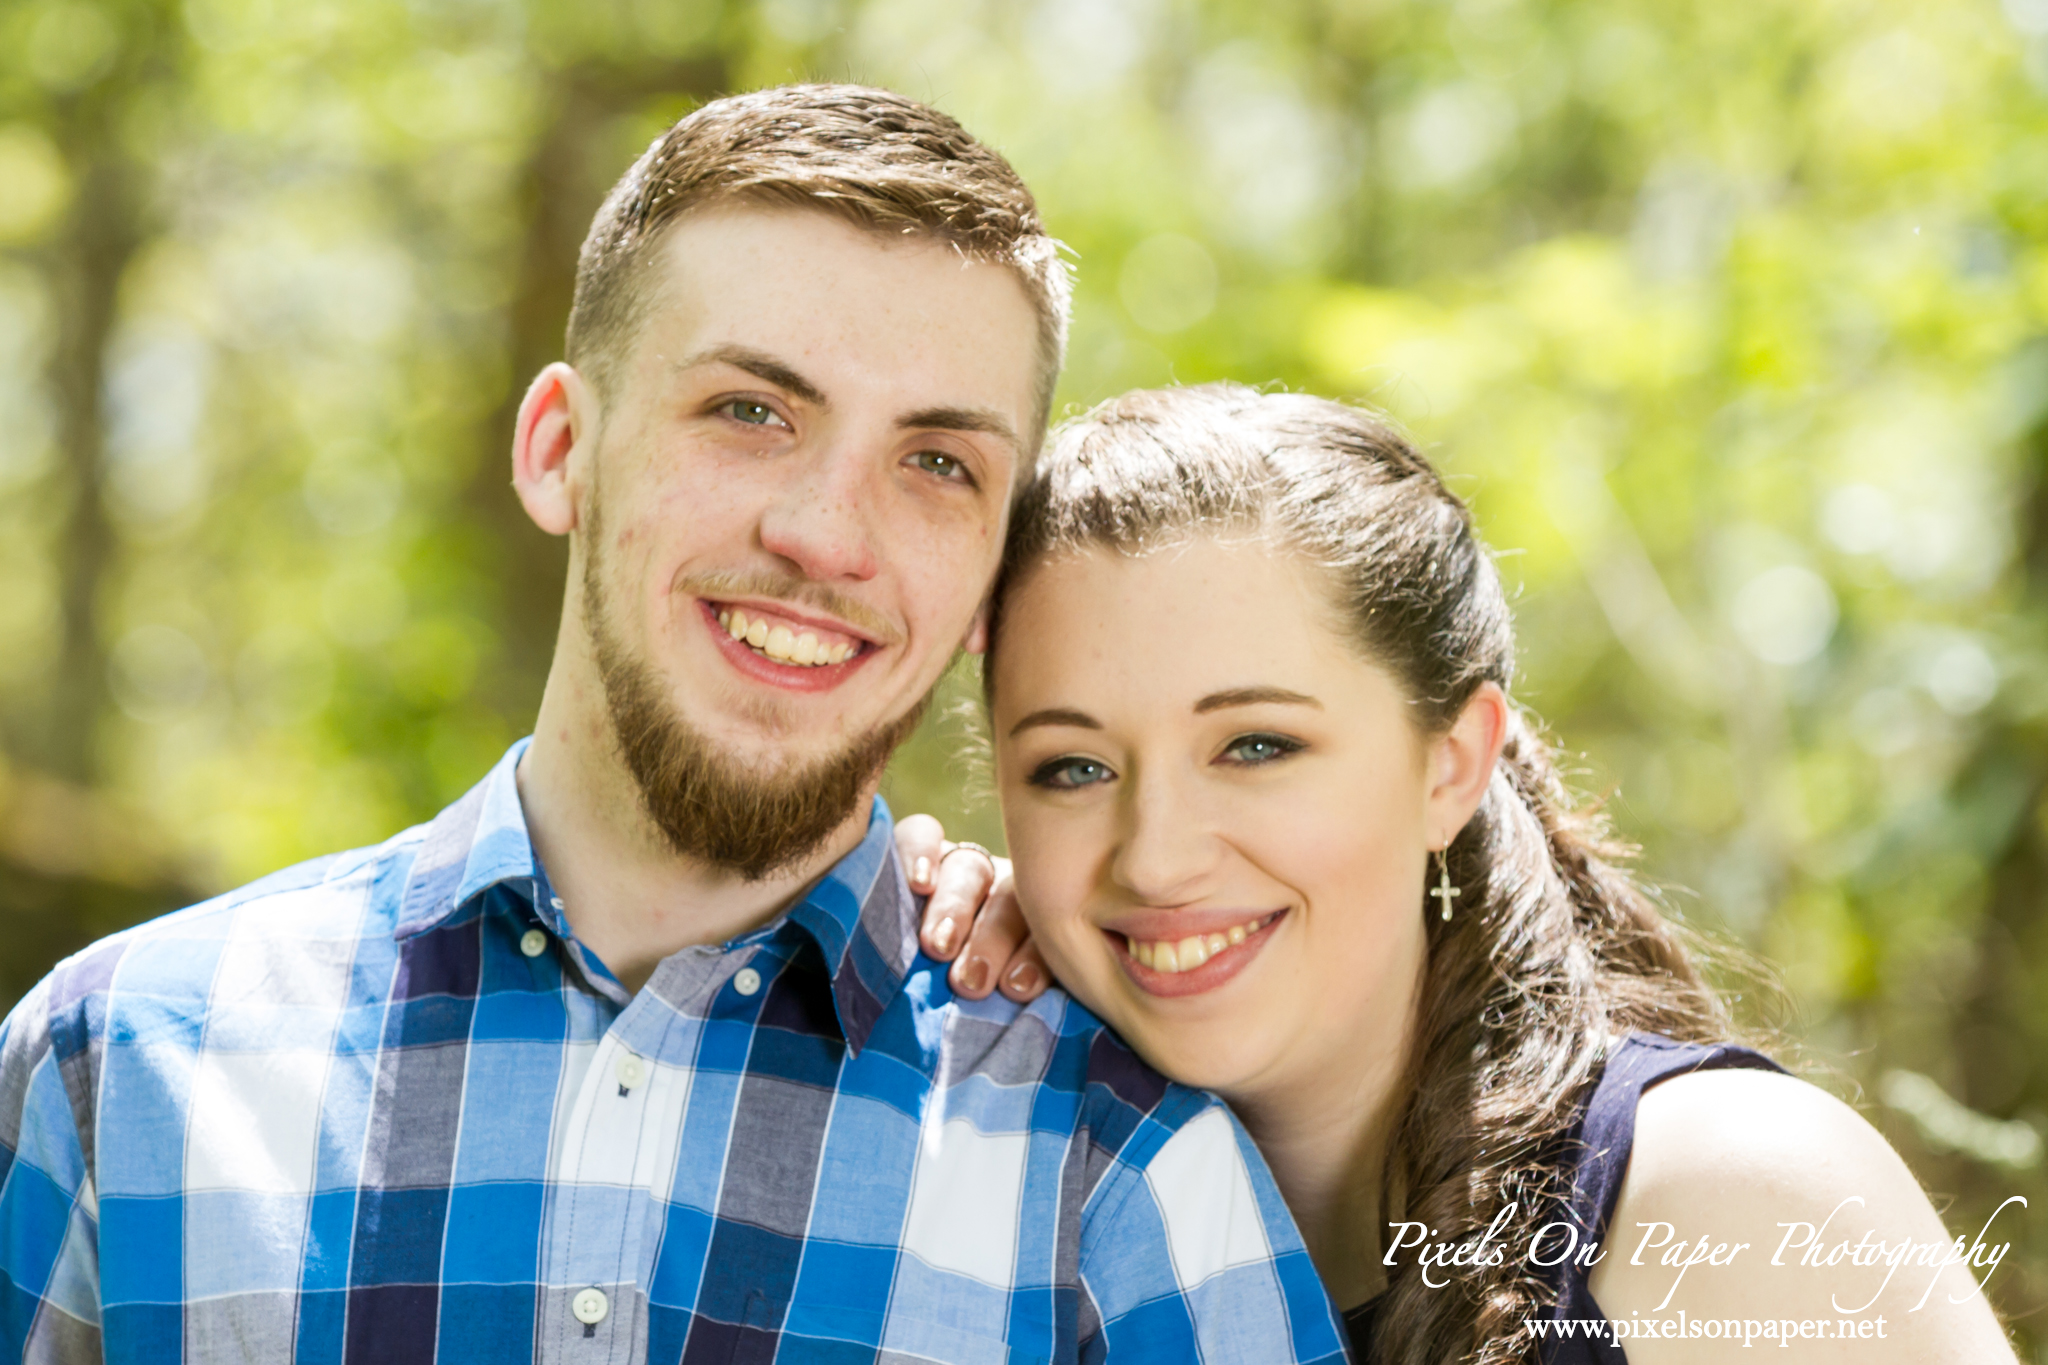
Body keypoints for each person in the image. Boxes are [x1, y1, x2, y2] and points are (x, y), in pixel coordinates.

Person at [0, 93, 1349, 1364]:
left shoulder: (1123, 1177)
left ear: (997, 574)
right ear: (557, 449)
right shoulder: (115, 1067)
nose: (825, 536)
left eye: (937, 462)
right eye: (750, 411)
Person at [900, 383, 2019, 1363]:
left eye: (1254, 747)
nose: (1152, 854)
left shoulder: (1732, 1200)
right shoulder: (988, 1204)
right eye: (1073, 769)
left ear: (1450, 763)